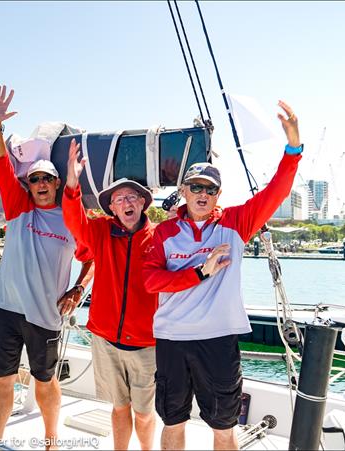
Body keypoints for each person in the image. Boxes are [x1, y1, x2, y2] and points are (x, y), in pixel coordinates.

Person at [142, 101, 302, 450]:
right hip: (171, 338)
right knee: (173, 421)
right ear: (183, 191)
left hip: (219, 339)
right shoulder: (163, 233)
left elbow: (277, 190)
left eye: (209, 189)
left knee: (224, 426)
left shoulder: (235, 223)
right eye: (195, 187)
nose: (202, 194)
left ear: (218, 196)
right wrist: (200, 271)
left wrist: (293, 148)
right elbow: (151, 281)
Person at [0, 85, 94, 450]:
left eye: (48, 178)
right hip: (6, 309)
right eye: (35, 178)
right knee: (1, 381)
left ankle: (50, 441)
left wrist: (79, 289)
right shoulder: (18, 205)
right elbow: (0, 162)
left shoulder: (71, 218)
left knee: (44, 381)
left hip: (46, 315)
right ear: (27, 185)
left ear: (58, 183)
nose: (42, 183)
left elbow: (93, 256)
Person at [61, 138, 158, 450]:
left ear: (142, 203)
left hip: (147, 344)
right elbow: (75, 222)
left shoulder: (159, 238)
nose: (126, 202)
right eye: (119, 200)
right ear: (112, 209)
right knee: (118, 408)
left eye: (132, 197)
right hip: (105, 340)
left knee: (144, 413)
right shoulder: (101, 231)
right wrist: (72, 184)